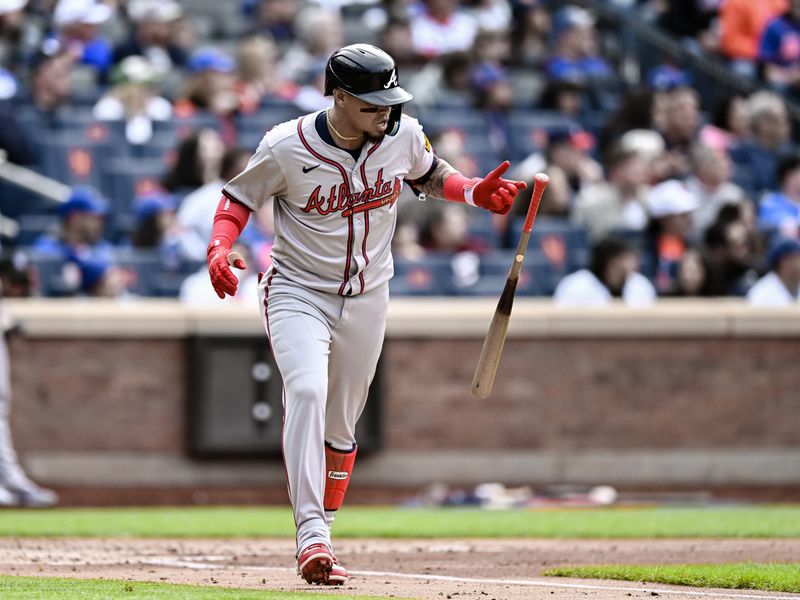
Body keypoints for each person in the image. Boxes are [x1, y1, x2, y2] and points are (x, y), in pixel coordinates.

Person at [205, 44, 526, 585]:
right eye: (373, 103)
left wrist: (473, 192)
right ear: (339, 97)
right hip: (298, 290)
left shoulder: (400, 133)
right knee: (306, 390)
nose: (386, 111)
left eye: (389, 100)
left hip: (368, 293)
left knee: (342, 423)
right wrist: (219, 248)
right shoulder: (286, 146)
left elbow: (427, 173)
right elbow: (239, 199)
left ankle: (323, 526)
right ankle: (312, 534)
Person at [553, 237, 656, 307]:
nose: (634, 263)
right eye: (627, 258)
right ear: (612, 263)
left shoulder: (640, 285)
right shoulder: (575, 286)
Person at [747, 237, 800, 305]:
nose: (796, 264)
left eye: (798, 258)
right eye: (790, 260)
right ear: (779, 264)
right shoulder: (761, 293)